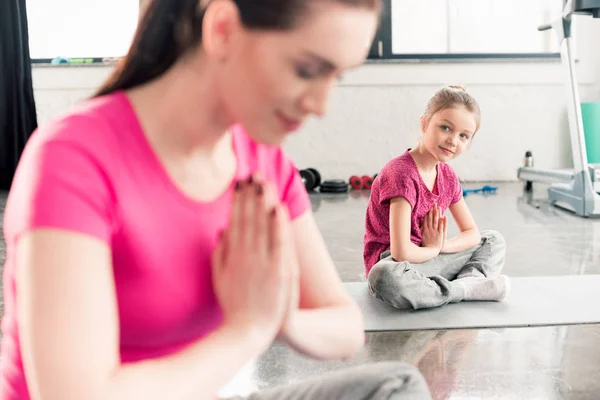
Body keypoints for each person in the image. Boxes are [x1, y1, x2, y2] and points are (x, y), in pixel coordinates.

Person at [0, 0, 432, 399]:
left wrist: (278, 314)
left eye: (335, 76)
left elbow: (345, 325)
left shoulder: (262, 162)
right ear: (223, 30)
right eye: (306, 69)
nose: (322, 104)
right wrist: (247, 327)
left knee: (396, 386)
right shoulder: (72, 158)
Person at [364, 85, 510, 311]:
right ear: (424, 123)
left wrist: (441, 246)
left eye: (463, 136)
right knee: (383, 278)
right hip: (398, 265)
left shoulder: (447, 175)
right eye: (445, 128)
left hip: (431, 259)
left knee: (492, 240)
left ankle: (444, 288)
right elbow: (401, 251)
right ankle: (466, 289)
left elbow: (471, 233)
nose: (453, 140)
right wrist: (432, 249)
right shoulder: (401, 174)